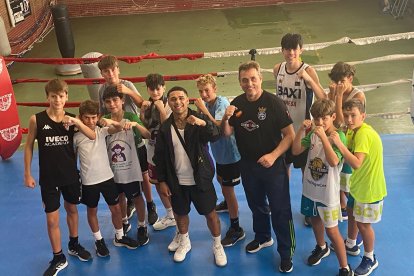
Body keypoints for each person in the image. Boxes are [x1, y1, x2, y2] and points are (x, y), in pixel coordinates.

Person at [222, 61, 296, 272]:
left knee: (280, 209)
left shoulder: (274, 103)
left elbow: (290, 136)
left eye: (253, 78)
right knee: (256, 205)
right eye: (244, 80)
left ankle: (286, 252)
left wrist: (273, 155)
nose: (249, 83)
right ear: (239, 82)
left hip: (273, 166)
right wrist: (225, 118)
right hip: (247, 165)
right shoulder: (236, 104)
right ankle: (263, 237)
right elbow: (226, 133)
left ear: (260, 79)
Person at [24, 79, 94, 276]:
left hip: (70, 176)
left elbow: (92, 135)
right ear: (47, 97)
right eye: (53, 96)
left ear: (66, 97)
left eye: (61, 96)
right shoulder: (36, 119)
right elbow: (28, 146)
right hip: (49, 179)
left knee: (72, 210)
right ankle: (58, 257)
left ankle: (74, 244)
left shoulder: (72, 120)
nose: (57, 100)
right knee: (52, 220)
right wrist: (27, 173)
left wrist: (77, 121)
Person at [154, 86, 227, 267]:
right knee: (180, 214)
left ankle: (217, 245)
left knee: (210, 214)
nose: (177, 102)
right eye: (173, 99)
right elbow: (160, 157)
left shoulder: (199, 119)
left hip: (200, 178)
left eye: (181, 98)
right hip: (176, 180)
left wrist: (204, 123)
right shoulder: (165, 127)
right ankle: (184, 241)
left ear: (187, 100)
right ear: (169, 103)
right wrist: (162, 180)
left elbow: (216, 135)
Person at [291, 99, 353, 276]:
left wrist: (324, 138)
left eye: (324, 119)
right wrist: (302, 130)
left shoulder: (337, 137)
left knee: (332, 231)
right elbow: (295, 151)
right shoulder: (312, 134)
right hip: (311, 189)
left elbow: (334, 161)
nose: (319, 123)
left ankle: (344, 268)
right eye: (316, 118)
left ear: (333, 117)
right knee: (315, 220)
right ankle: (321, 247)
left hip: (328, 194)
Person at [74, 100, 140, 257]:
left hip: (107, 178)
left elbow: (118, 127)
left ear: (97, 117)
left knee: (116, 208)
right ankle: (99, 240)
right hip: (89, 181)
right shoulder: (76, 136)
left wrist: (108, 120)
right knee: (92, 211)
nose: (90, 121)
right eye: (87, 118)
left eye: (93, 117)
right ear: (81, 118)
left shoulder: (101, 131)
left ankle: (120, 236)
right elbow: (72, 158)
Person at [273, 33, 326, 226]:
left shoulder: (309, 70)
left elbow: (323, 98)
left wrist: (309, 81)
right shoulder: (277, 69)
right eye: (287, 48)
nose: (291, 53)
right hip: (284, 131)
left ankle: (308, 208)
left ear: (301, 50)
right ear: (282, 50)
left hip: (304, 131)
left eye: (294, 48)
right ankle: (282, 203)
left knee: (306, 171)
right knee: (282, 170)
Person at [97, 55, 157, 226]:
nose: (110, 74)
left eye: (112, 70)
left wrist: (127, 91)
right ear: (102, 73)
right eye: (105, 72)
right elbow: (102, 111)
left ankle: (151, 204)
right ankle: (130, 205)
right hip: (116, 138)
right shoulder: (103, 90)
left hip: (134, 133)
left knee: (143, 174)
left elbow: (142, 104)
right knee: (122, 172)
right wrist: (95, 124)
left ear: (118, 69)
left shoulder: (127, 84)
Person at [331, 99, 387, 276]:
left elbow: (355, 163)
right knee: (351, 210)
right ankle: (351, 243)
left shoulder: (363, 134)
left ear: (363, 115)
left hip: (370, 189)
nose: (348, 119)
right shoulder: (352, 132)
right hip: (358, 185)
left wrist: (339, 144)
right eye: (346, 115)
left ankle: (370, 258)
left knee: (364, 225)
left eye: (353, 115)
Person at [194, 74, 245, 247]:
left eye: (207, 90)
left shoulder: (222, 102)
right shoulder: (208, 104)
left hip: (231, 154)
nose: (204, 94)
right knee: (221, 180)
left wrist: (203, 110)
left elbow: (219, 125)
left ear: (214, 89)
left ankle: (236, 227)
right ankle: (226, 204)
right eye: (201, 91)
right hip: (219, 154)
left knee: (228, 190)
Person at [102, 86, 151, 246]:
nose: (112, 104)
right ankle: (124, 221)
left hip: (131, 165)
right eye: (108, 101)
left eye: (115, 100)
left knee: (137, 196)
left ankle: (142, 226)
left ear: (122, 101)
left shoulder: (130, 116)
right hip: (113, 166)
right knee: (120, 196)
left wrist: (135, 125)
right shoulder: (104, 119)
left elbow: (148, 135)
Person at [328, 62, 366, 254]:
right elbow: (330, 114)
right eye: (336, 82)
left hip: (351, 146)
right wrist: (332, 95)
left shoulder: (358, 95)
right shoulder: (335, 90)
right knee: (340, 181)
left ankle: (355, 234)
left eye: (342, 81)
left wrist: (339, 95)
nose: (339, 84)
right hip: (339, 142)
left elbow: (341, 120)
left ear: (350, 78)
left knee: (352, 191)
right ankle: (343, 208)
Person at [140, 73, 176, 230]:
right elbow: (146, 127)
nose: (155, 92)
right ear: (147, 89)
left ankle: (178, 215)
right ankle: (170, 215)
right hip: (152, 150)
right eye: (152, 89)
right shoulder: (149, 104)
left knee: (171, 186)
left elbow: (167, 129)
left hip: (168, 154)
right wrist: (142, 112)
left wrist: (162, 110)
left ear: (164, 87)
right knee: (156, 184)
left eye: (158, 88)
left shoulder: (170, 105)